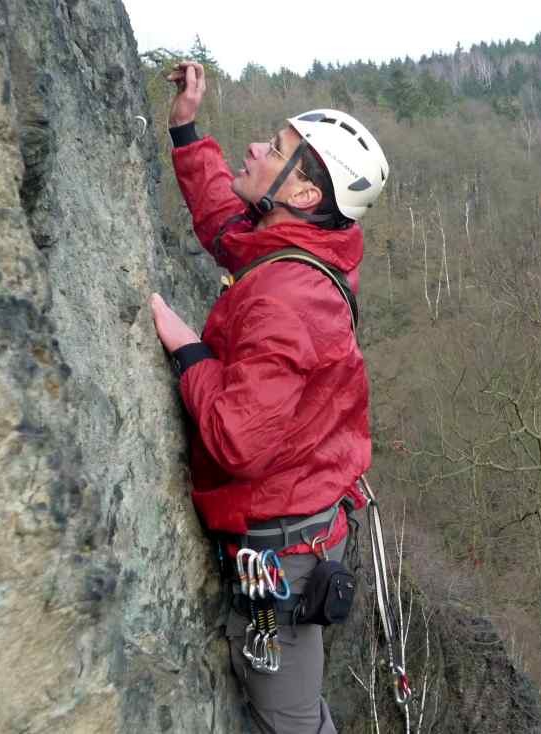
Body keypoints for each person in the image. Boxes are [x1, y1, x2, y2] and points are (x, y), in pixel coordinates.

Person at [149, 61, 389, 734]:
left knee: (288, 721)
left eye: (275, 150)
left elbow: (236, 439)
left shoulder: (286, 296)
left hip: (279, 551)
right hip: (299, 522)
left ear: (305, 193)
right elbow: (227, 229)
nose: (254, 149)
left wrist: (186, 347)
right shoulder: (301, 249)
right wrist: (185, 128)